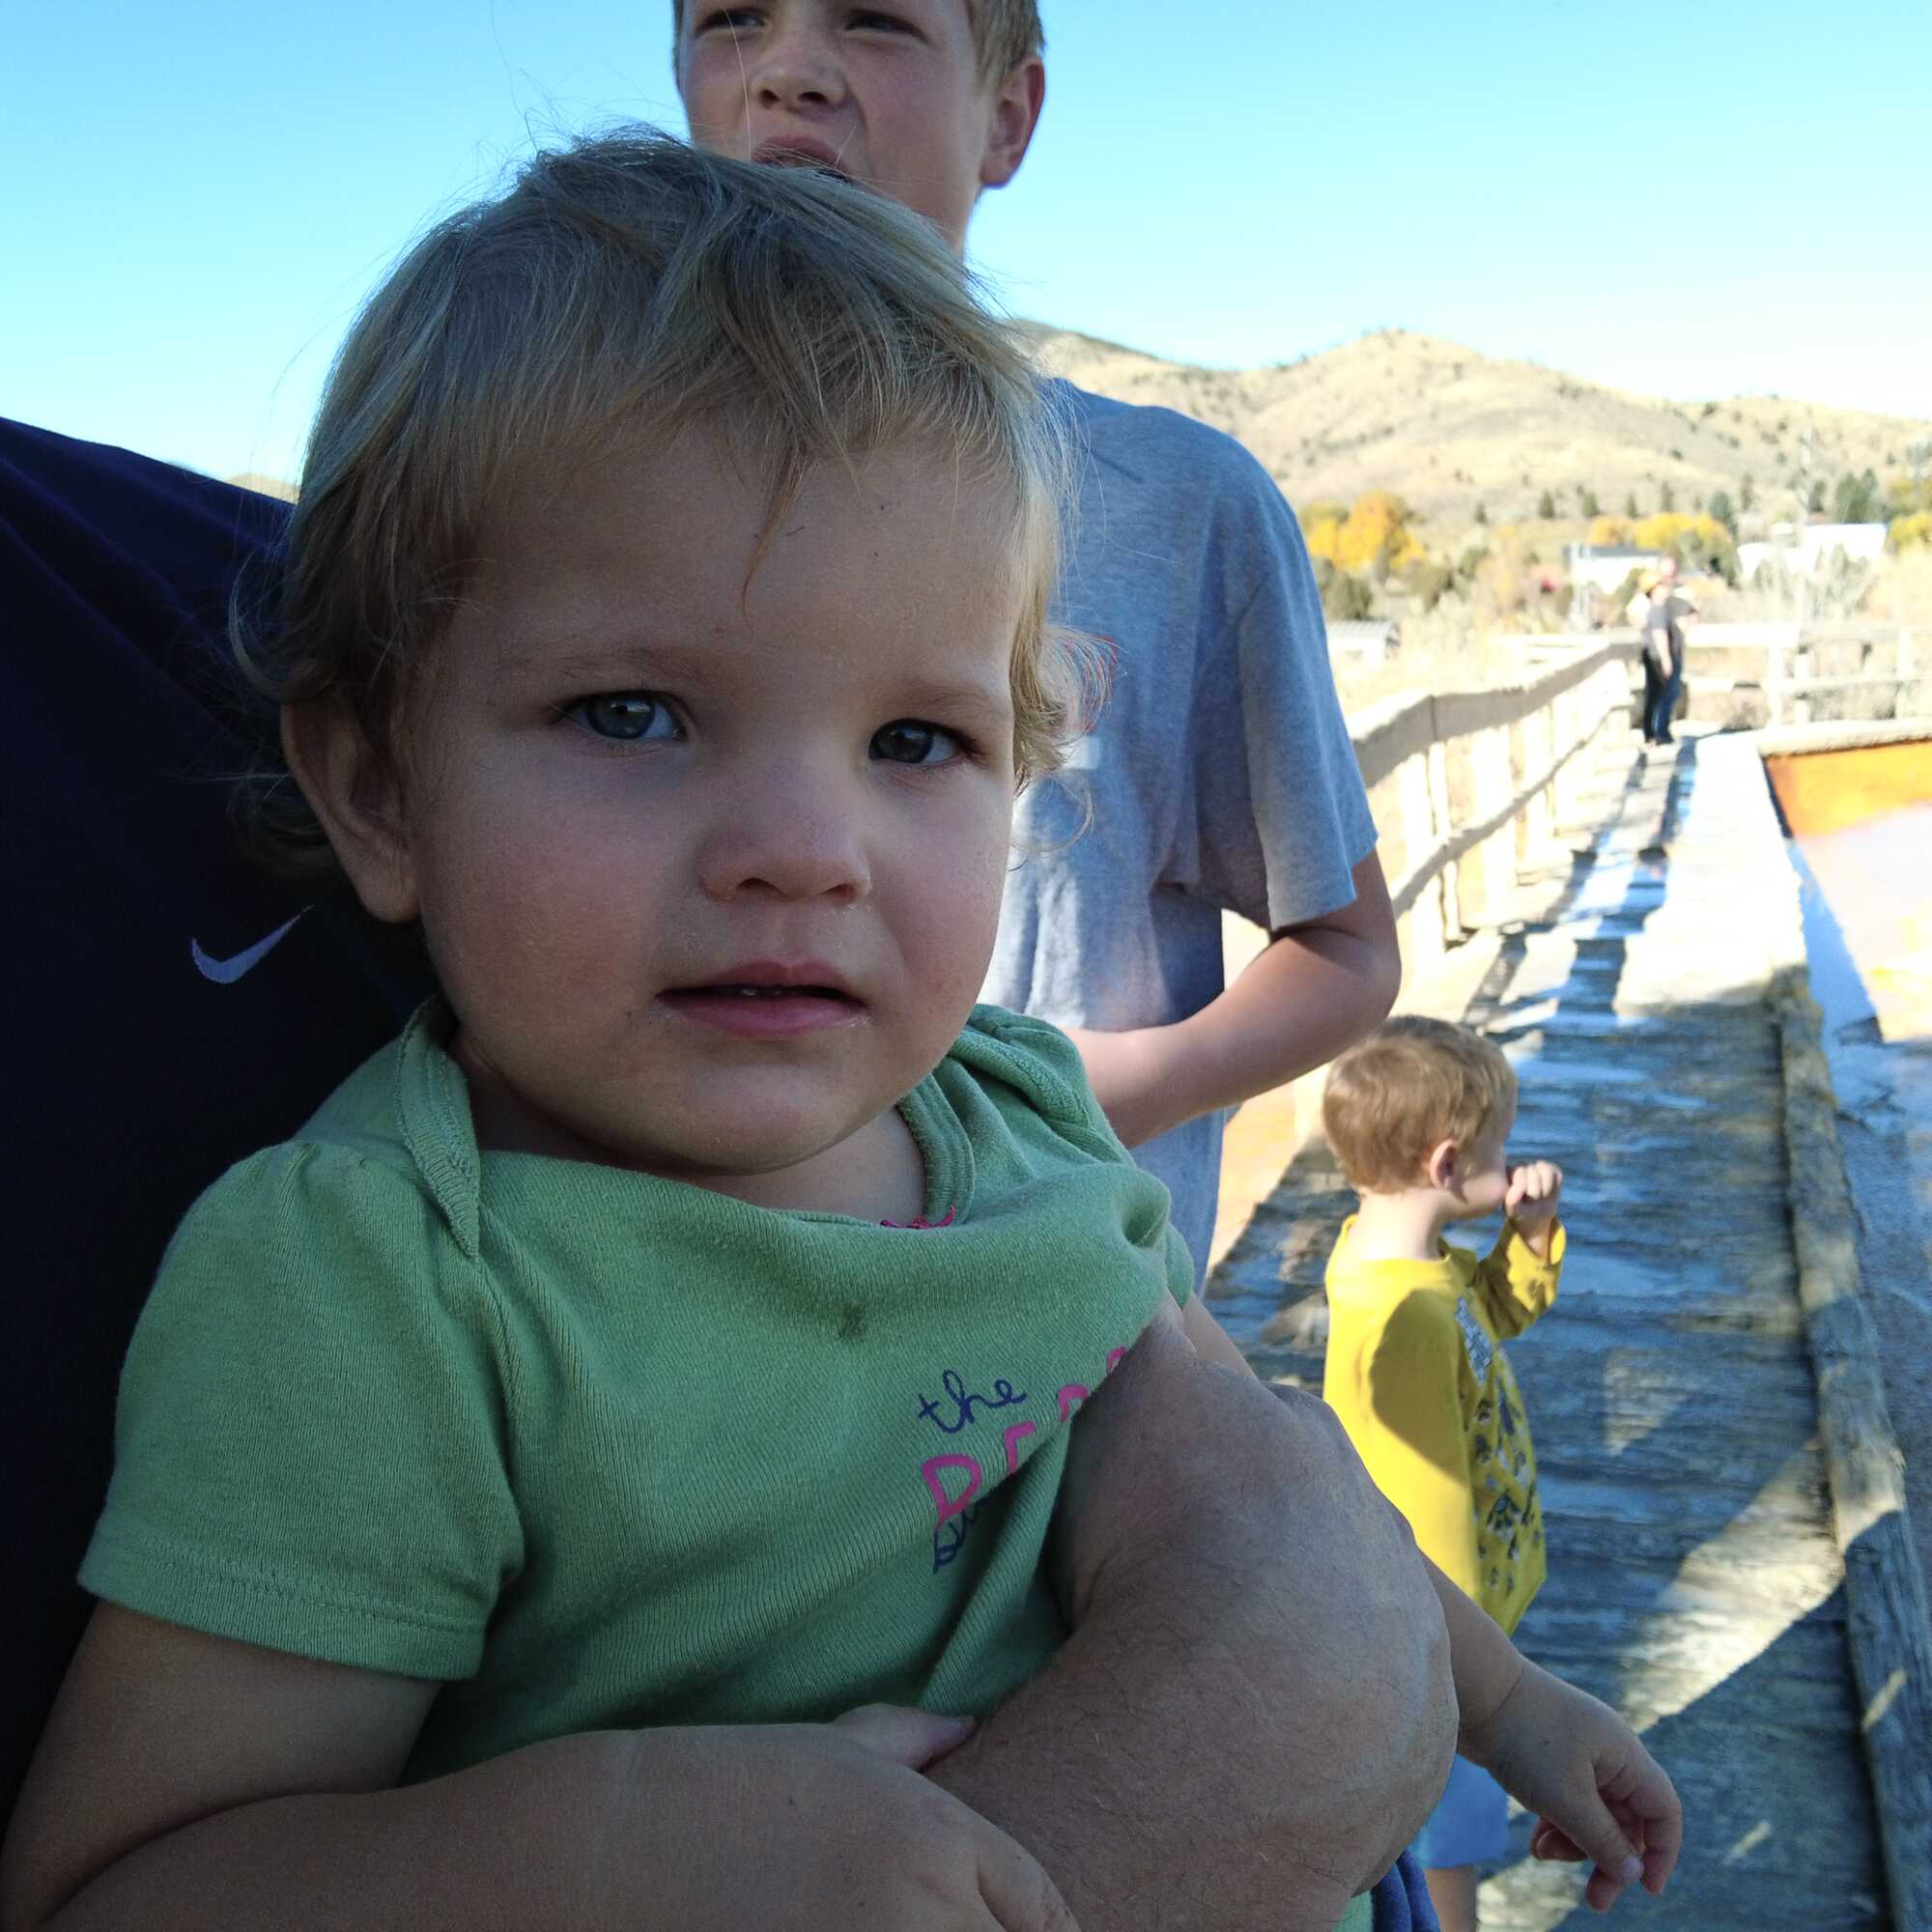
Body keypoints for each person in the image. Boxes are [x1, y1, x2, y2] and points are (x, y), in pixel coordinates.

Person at [3, 132, 1463, 1932]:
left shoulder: (1012, 1110)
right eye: (634, 714)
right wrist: (618, 1844)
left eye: (916, 743)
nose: (801, 850)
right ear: (379, 789)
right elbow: (126, 1889)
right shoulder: (390, 1289)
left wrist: (1485, 1688)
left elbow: (1249, 1488)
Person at [673, 0, 1402, 1293]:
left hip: (1076, 1356)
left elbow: (1345, 950)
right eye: (731, 19)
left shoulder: (1176, 507)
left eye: (873, 21)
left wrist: (1076, 1093)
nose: (787, 71)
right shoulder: (565, 501)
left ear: (1005, 115)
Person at [1318, 1017, 1584, 1932]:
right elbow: (1422, 1517)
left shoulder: (1400, 1258)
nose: (1510, 1166)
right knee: (1449, 1847)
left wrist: (1532, 1234)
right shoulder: (1404, 1325)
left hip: (1459, 1635)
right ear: (1445, 1163)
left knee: (1447, 1837)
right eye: (1498, 1150)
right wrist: (1481, 1676)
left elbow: (1495, 1316)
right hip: (1450, 1654)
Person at [1638, 565, 1694, 746]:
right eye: (1661, 585)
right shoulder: (1658, 609)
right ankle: (1659, 732)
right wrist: (1666, 659)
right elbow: (1659, 634)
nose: (1665, 588)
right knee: (1662, 695)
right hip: (1658, 659)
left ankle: (1653, 733)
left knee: (1656, 696)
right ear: (1653, 590)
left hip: (1656, 658)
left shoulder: (1659, 608)